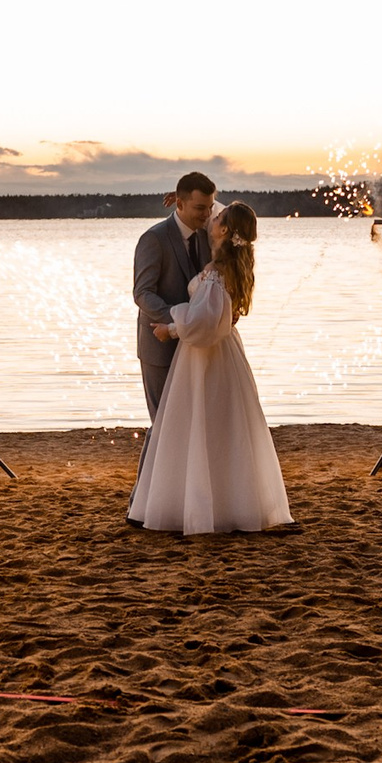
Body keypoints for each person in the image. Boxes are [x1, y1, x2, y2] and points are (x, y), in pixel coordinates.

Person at [127, 201, 294, 534]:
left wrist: (171, 328)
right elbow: (216, 212)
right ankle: (223, 500)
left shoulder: (217, 272)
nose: (210, 218)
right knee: (222, 428)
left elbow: (204, 321)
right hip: (224, 353)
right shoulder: (231, 265)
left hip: (206, 357)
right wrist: (181, 198)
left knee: (200, 425)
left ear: (225, 230)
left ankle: (196, 506)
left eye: (216, 217)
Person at [132, 172, 215, 419]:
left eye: (209, 208)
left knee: (191, 423)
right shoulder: (153, 238)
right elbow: (142, 293)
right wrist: (180, 321)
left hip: (197, 347)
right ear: (179, 203)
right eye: (199, 208)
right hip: (160, 348)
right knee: (163, 423)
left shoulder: (207, 235)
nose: (206, 214)